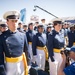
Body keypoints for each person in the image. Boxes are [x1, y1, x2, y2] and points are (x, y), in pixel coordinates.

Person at [0, 10, 29, 75]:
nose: (14, 23)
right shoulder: (2, 37)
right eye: (12, 21)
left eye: (16, 21)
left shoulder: (23, 35)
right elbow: (0, 56)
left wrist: (28, 64)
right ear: (7, 22)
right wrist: (2, 70)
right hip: (9, 66)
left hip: (21, 64)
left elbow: (26, 50)